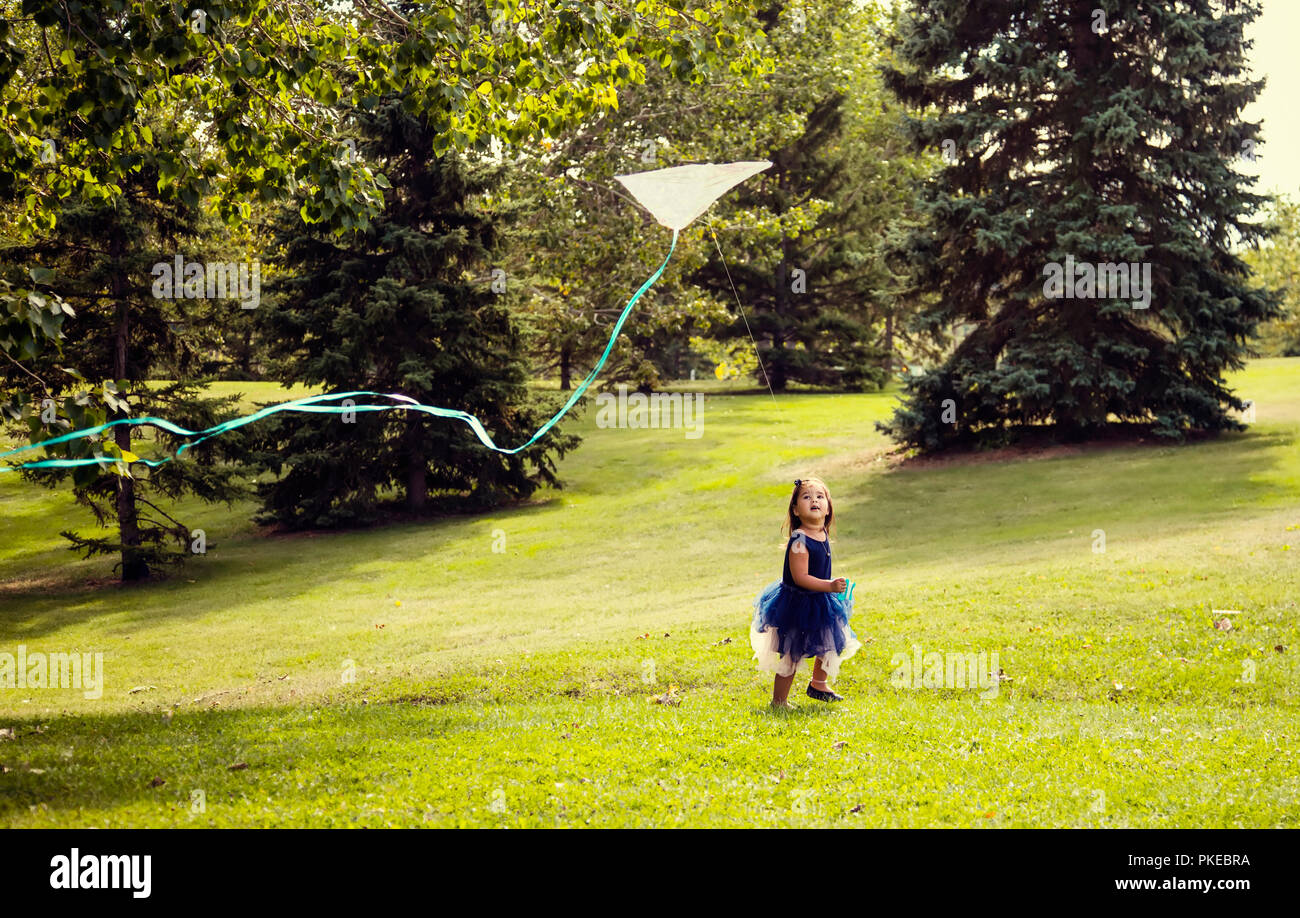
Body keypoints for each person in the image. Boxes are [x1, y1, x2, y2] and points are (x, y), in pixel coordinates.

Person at [750, 476, 861, 708]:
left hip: (819, 599)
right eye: (807, 497)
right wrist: (829, 585)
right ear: (796, 510)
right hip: (797, 604)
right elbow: (801, 577)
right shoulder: (800, 540)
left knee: (829, 640)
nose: (815, 500)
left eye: (820, 497)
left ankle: (818, 684)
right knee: (792, 653)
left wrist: (830, 586)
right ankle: (779, 701)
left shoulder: (822, 533)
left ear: (828, 508)